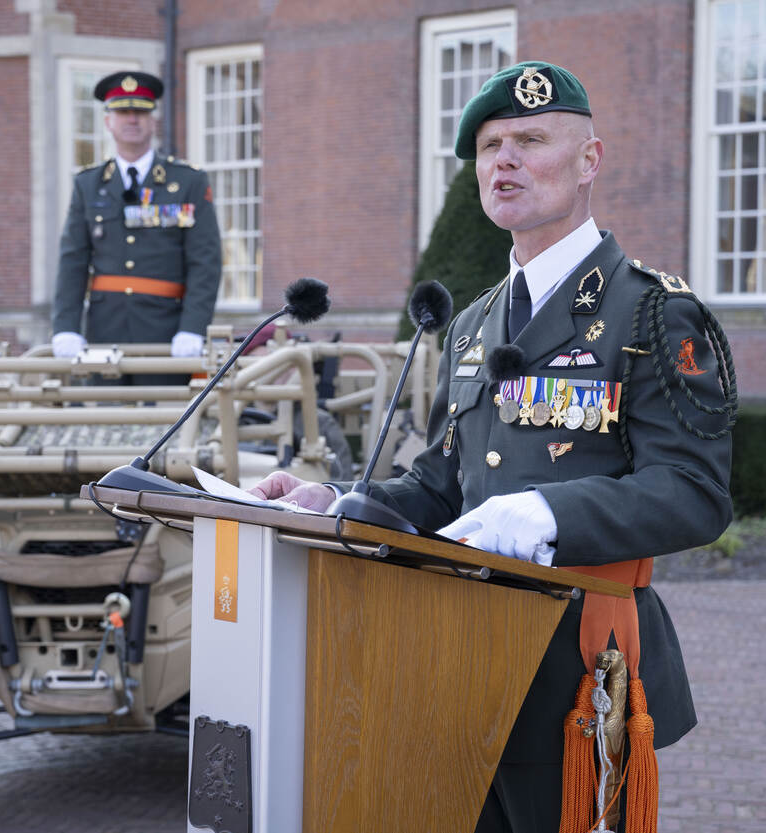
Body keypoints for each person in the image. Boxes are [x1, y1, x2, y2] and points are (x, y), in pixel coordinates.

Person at [250, 61, 736, 832]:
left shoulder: (652, 313)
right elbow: (444, 480)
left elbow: (695, 492)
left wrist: (545, 512)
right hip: (458, 662)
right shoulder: (474, 323)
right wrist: (341, 503)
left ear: (589, 161)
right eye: (489, 146)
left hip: (577, 672)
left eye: (531, 140)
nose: (504, 160)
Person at [51, 70, 222, 384]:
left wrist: (193, 327)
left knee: (166, 423)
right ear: (108, 122)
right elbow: (73, 261)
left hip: (168, 330)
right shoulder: (88, 184)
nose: (132, 119)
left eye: (141, 112)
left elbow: (205, 261)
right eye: (123, 112)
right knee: (106, 424)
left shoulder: (187, 182)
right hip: (104, 330)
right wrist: (65, 327)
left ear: (152, 120)